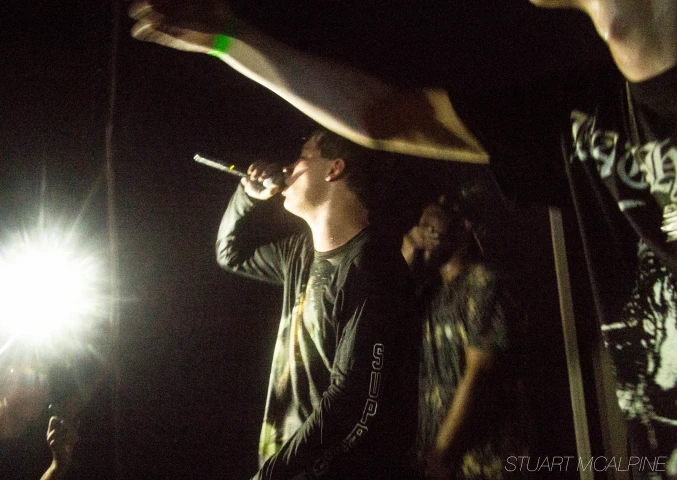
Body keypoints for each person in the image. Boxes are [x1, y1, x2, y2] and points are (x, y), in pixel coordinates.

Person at [129, 0, 677, 465]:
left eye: (305, 155)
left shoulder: (378, 270)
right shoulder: (578, 118)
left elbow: (358, 398)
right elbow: (381, 118)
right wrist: (227, 38)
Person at [215, 128, 417, 479]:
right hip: (285, 468)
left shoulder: (374, 268)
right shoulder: (299, 252)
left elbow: (350, 401)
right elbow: (230, 253)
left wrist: (272, 475)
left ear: (334, 169)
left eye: (303, 156)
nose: (289, 167)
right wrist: (246, 196)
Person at [402, 200, 529, 479]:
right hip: (439, 466)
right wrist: (406, 255)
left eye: (433, 222)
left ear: (462, 228)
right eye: (420, 225)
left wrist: (441, 452)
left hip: (485, 462)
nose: (425, 230)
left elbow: (480, 371)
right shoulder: (428, 295)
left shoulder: (482, 281)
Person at [0, 363, 79, 480]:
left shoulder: (44, 443)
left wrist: (60, 464)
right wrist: (56, 468)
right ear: (3, 382)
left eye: (43, 381)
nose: (38, 389)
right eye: (28, 380)